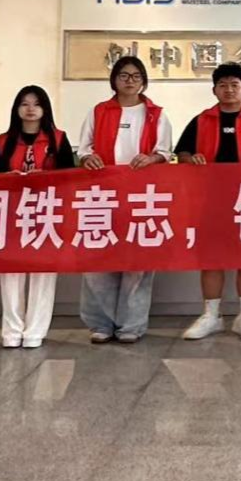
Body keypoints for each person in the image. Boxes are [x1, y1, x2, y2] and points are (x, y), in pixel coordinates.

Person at [176, 62, 241, 341]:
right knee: (212, 258)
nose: (229, 90)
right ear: (214, 90)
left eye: (235, 84)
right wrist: (192, 158)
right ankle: (211, 315)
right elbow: (182, 153)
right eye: (222, 85)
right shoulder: (202, 120)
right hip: (209, 199)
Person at [76, 55, 172, 343]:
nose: (130, 81)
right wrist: (88, 158)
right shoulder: (99, 111)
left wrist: (152, 158)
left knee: (137, 261)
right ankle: (100, 324)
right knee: (99, 258)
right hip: (102, 195)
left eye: (136, 76)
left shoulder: (155, 113)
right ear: (114, 80)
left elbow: (165, 151)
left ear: (143, 81)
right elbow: (84, 148)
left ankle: (132, 325)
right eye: (124, 75)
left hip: (142, 196)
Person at [0, 85, 76, 348]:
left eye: (36, 104)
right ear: (16, 108)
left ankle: (35, 331)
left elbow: (70, 176)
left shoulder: (58, 138)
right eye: (24, 103)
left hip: (46, 213)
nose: (30, 109)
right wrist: (7, 178)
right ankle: (11, 331)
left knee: (43, 273)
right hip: (11, 214)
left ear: (45, 109)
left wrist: (46, 177)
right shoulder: (4, 140)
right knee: (10, 272)